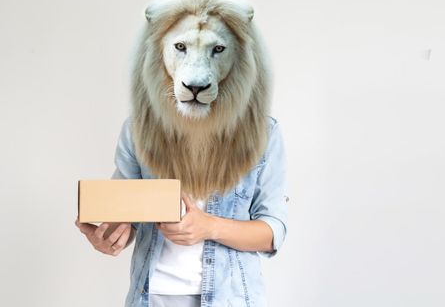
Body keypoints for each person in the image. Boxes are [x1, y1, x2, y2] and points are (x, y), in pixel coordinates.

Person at [75, 115, 288, 307]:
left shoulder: (262, 132)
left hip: (232, 298)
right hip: (151, 298)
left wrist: (210, 227)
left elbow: (273, 231)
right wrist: (111, 237)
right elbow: (127, 218)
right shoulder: (138, 129)